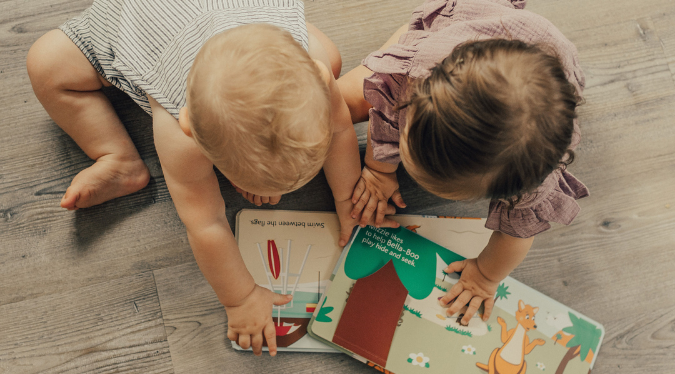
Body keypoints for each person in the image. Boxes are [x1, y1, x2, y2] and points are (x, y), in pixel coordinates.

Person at [26, 0, 385, 356]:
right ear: (191, 128)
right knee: (46, 63)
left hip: (241, 14)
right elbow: (205, 223)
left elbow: (339, 131)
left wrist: (345, 197)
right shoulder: (179, 136)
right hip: (140, 22)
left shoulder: (318, 71)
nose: (280, 194)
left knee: (331, 56)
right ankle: (116, 156)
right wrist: (241, 298)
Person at [338, 0, 589, 325]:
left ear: (507, 190)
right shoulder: (414, 79)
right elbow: (385, 114)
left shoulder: (531, 181)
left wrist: (485, 276)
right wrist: (378, 170)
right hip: (466, 22)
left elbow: (516, 236)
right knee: (358, 93)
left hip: (538, 61)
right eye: (405, 143)